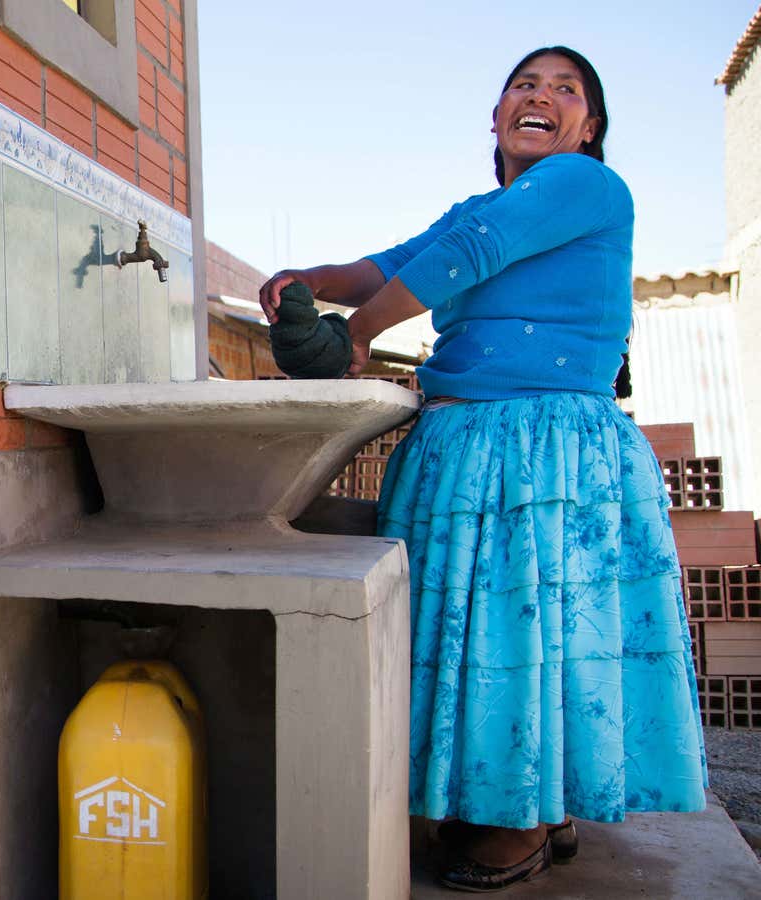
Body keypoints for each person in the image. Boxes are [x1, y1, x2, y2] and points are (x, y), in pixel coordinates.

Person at [259, 46, 705, 892]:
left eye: (566, 90)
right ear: (495, 117)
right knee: (498, 635)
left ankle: (518, 817)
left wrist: (355, 336)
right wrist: (304, 282)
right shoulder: (477, 205)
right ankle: (536, 803)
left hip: (545, 447)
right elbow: (390, 266)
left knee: (531, 633)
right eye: (524, 86)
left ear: (591, 126)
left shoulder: (587, 185)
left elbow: (477, 249)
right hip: (471, 444)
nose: (541, 97)